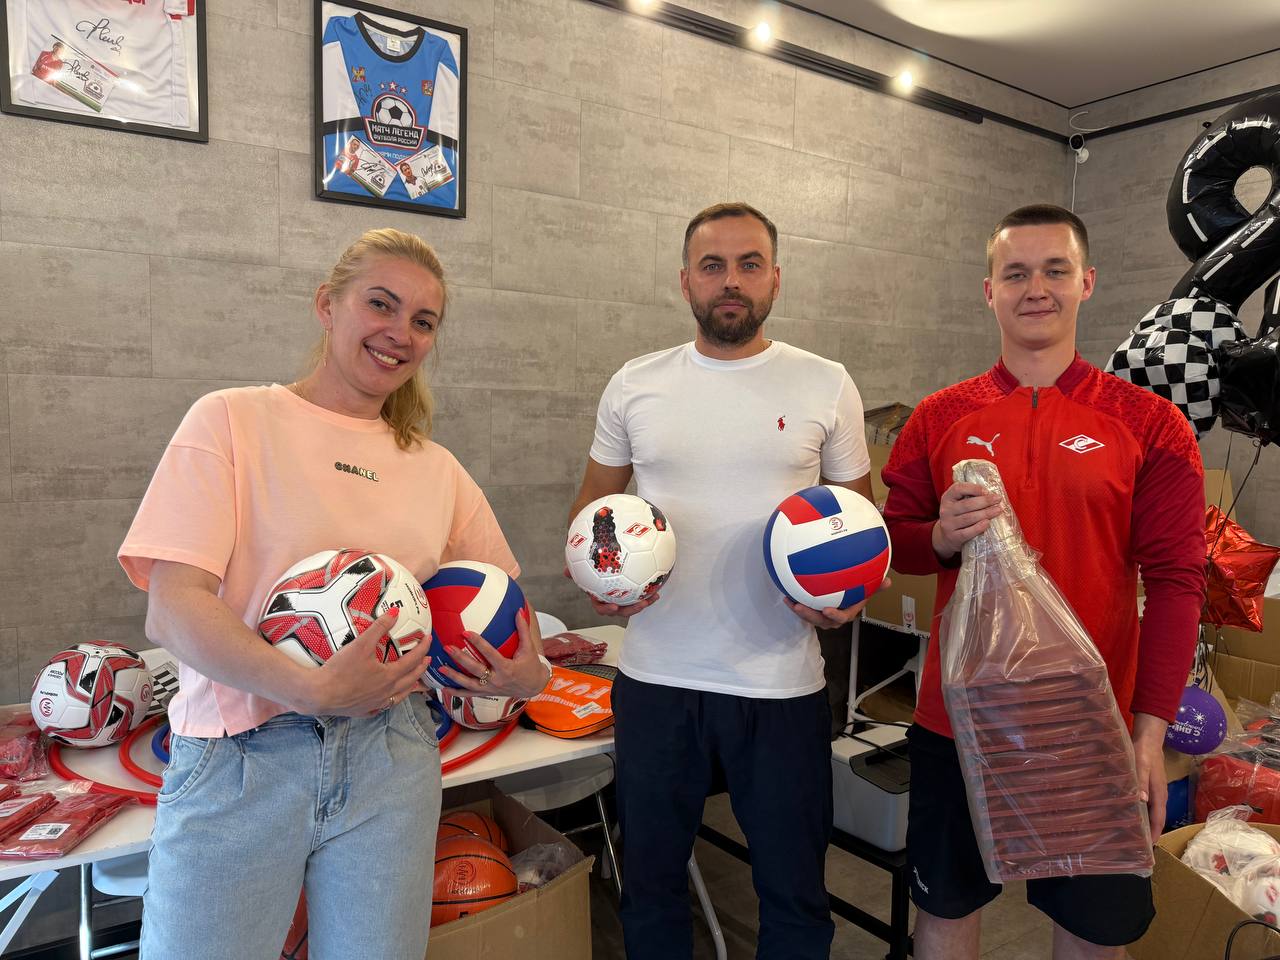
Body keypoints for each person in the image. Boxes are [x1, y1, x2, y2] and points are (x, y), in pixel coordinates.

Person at [117, 228, 551, 960]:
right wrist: (307, 688)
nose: (400, 332)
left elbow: (504, 607)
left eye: (423, 321)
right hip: (239, 759)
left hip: (393, 754)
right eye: (381, 304)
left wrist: (525, 676)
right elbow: (174, 605)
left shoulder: (437, 470)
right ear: (327, 305)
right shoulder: (231, 420)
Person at [881, 204, 1206, 960]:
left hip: (1089, 729)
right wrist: (941, 536)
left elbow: (1176, 582)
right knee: (945, 913)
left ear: (1086, 282)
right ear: (987, 290)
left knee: (1092, 933)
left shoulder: (1149, 423)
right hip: (958, 721)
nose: (1036, 289)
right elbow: (895, 545)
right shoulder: (938, 417)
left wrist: (1148, 735)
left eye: (1055, 270)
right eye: (1016, 273)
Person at [567, 201, 876, 959]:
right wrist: (600, 578)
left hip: (781, 686)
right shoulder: (635, 384)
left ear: (775, 278)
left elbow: (862, 523)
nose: (730, 280)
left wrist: (851, 596)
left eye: (748, 264)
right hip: (656, 680)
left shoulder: (826, 383)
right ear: (685, 281)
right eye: (712, 265)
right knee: (649, 890)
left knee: (795, 897)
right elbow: (592, 513)